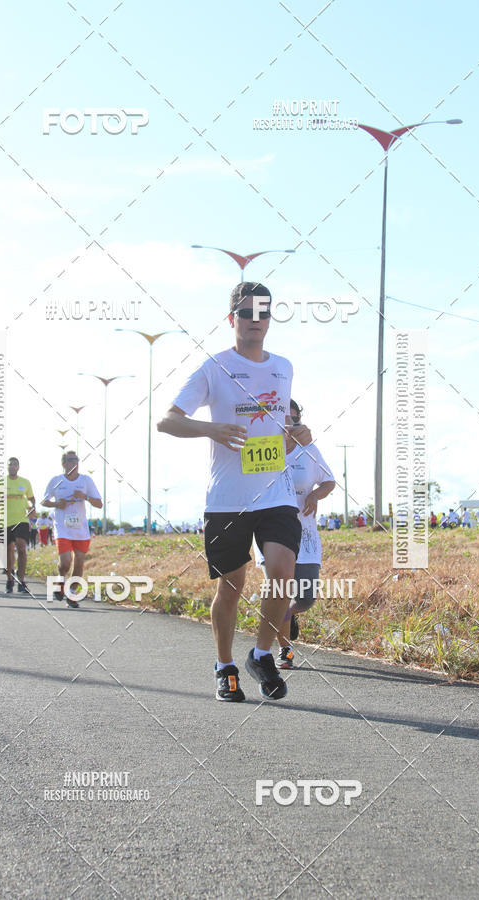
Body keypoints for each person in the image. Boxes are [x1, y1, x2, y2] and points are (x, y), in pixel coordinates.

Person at [157, 281, 311, 702]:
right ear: (231, 319)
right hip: (227, 499)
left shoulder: (284, 367)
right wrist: (212, 429)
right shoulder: (215, 368)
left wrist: (299, 432)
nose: (255, 320)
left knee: (282, 572)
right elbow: (167, 420)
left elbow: (280, 426)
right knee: (232, 587)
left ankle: (261, 654)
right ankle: (225, 666)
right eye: (246, 313)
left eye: (263, 313)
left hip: (276, 493)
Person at [255, 399, 335, 668]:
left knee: (306, 598)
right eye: (284, 419)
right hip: (272, 532)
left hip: (306, 535)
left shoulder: (309, 450)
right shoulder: (263, 447)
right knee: (281, 591)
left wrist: (315, 495)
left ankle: (287, 614)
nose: (290, 424)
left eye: (295, 419)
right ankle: (285, 650)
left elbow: (329, 481)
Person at [42, 450, 103, 608]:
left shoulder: (86, 480)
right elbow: (44, 501)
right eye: (70, 460)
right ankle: (61, 580)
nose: (74, 462)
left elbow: (99, 504)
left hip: (80, 529)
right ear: (64, 464)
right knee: (65, 562)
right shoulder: (56, 480)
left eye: (76, 459)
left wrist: (85, 497)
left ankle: (72, 594)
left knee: (79, 561)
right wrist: (57, 504)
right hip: (62, 528)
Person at [4, 457, 35, 594]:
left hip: (21, 519)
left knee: (21, 548)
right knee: (9, 550)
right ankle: (9, 579)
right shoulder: (1, 483)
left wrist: (32, 507)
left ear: (18, 467)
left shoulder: (25, 482)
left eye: (15, 464)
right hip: (6, 520)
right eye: (10, 464)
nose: (12, 466)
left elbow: (32, 498)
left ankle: (21, 581)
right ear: (7, 467)